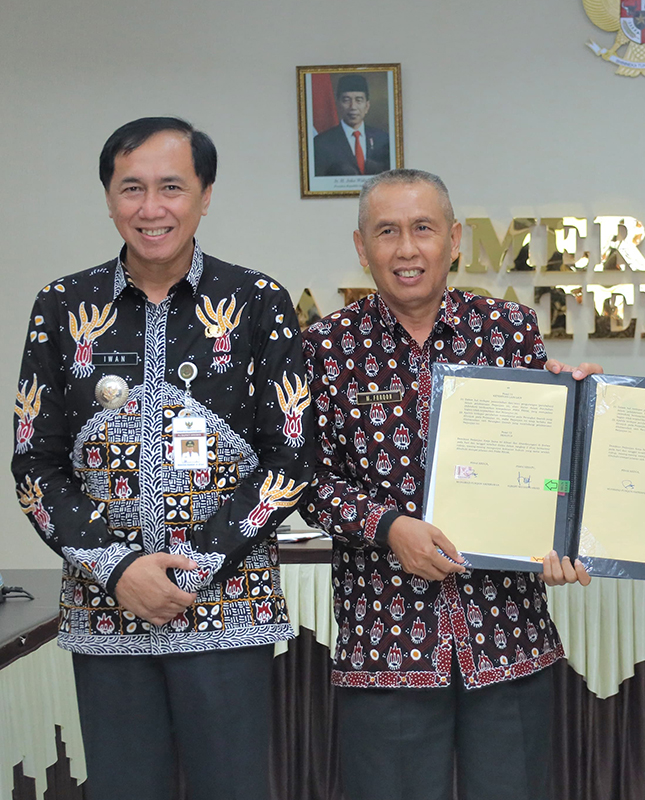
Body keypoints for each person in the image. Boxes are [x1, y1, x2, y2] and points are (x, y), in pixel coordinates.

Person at [11, 117, 313, 800]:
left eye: (172, 187)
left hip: (225, 609)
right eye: (132, 188)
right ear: (109, 198)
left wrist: (194, 565)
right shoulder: (62, 307)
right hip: (103, 607)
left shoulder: (258, 301)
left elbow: (290, 457)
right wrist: (117, 568)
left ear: (205, 195)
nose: (152, 208)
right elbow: (36, 463)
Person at [300, 168, 595, 800]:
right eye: (387, 232)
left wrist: (584, 413)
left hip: (507, 635)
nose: (407, 249)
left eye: (423, 229)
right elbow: (305, 479)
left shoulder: (509, 330)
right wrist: (387, 526)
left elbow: (550, 458)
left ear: (454, 239)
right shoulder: (325, 347)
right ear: (361, 247)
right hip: (386, 647)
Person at [312, 73, 391, 177]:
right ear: (338, 105)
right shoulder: (321, 143)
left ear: (367, 106)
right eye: (346, 100)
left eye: (359, 100)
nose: (353, 106)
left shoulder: (383, 139)